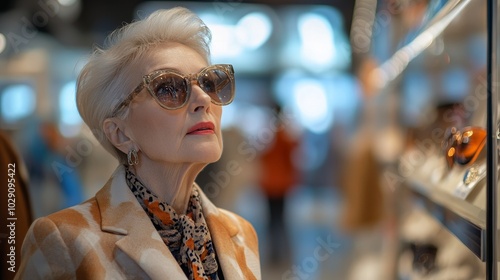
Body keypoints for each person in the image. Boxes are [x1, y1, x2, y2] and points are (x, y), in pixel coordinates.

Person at [15, 7, 261, 280]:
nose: (204, 99)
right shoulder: (64, 240)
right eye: (168, 87)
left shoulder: (240, 233)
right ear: (120, 133)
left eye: (209, 82)